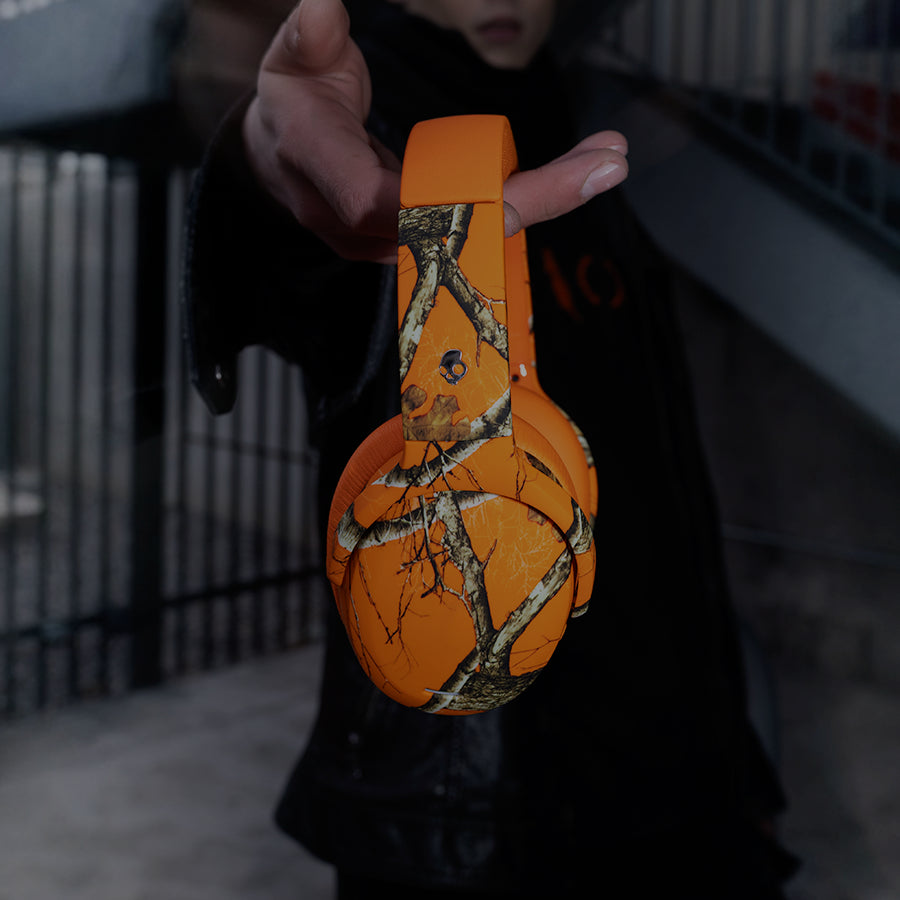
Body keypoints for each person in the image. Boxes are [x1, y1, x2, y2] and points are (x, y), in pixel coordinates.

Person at [182, 0, 798, 896]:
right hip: (469, 807)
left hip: (669, 771)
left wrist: (737, 771)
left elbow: (667, 490)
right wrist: (265, 148)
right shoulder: (385, 136)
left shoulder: (570, 125)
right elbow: (307, 215)